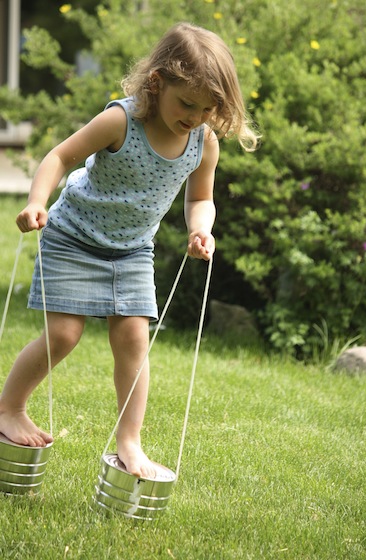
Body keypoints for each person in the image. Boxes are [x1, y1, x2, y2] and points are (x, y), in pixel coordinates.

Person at [0, 22, 259, 479]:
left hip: (132, 251)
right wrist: (36, 203)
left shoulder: (204, 142)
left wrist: (202, 230)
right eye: (186, 103)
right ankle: (10, 408)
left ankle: (129, 444)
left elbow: (201, 198)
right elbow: (60, 157)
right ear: (157, 83)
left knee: (135, 340)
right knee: (63, 336)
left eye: (206, 108)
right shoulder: (121, 120)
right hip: (73, 236)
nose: (194, 116)